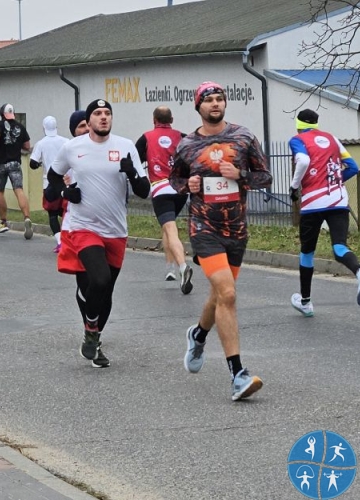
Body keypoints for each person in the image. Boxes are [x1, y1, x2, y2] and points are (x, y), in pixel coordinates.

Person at [171, 81, 272, 401]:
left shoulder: (244, 138)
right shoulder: (186, 145)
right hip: (204, 228)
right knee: (228, 293)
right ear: (198, 107)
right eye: (208, 100)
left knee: (220, 296)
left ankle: (198, 334)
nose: (215, 104)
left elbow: (265, 176)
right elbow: (175, 181)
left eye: (219, 99)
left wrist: (239, 175)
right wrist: (189, 183)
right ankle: (237, 374)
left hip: (236, 230)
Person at [45, 99, 150, 368]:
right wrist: (65, 193)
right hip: (83, 227)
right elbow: (52, 181)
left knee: (107, 293)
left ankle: (94, 338)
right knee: (99, 281)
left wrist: (132, 174)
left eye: (107, 113)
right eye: (97, 114)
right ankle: (91, 327)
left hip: (115, 230)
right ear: (89, 121)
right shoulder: (72, 148)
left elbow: (143, 190)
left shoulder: (125, 146)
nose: (103, 117)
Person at [288, 109, 360, 316]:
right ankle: (359, 272)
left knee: (307, 252)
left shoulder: (298, 139)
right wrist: (334, 182)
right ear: (316, 124)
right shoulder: (332, 139)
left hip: (312, 203)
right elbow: (352, 167)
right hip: (338, 200)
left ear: (298, 124)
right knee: (339, 246)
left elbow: (304, 161)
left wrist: (293, 186)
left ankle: (306, 302)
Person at [137, 105, 194, 293]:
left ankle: (182, 267)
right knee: (167, 227)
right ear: (172, 120)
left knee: (170, 229)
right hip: (180, 189)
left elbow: (135, 161)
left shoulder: (146, 137)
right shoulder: (183, 137)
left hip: (160, 188)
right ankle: (169, 268)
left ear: (154, 120)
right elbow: (192, 159)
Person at [0, 103, 34, 238]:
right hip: (15, 163)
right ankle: (26, 217)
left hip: (1, 163)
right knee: (19, 189)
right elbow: (27, 146)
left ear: (2, 114)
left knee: (0, 191)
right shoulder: (20, 126)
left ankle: (3, 222)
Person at [29, 116, 70, 252]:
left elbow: (32, 163)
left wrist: (40, 164)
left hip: (49, 183)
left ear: (43, 128)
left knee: (52, 214)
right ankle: (69, 239)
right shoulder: (66, 142)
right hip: (65, 181)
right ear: (56, 127)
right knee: (66, 212)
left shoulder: (41, 143)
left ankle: (60, 242)